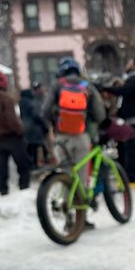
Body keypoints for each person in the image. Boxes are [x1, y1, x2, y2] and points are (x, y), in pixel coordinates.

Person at [41, 57, 107, 186]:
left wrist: (55, 118)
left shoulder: (57, 84)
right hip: (83, 136)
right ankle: (81, 204)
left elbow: (45, 110)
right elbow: (100, 114)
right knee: (82, 173)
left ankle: (65, 202)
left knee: (66, 173)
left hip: (62, 137)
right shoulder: (86, 85)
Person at [101, 58, 135, 185]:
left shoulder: (134, 79)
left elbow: (123, 91)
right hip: (134, 120)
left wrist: (105, 88)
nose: (127, 64)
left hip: (133, 121)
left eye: (129, 62)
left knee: (132, 150)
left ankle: (131, 178)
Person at [19, 83, 51, 169]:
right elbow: (37, 115)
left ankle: (31, 164)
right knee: (37, 146)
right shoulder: (31, 103)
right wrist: (44, 125)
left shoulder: (22, 103)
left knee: (31, 147)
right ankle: (35, 165)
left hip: (26, 127)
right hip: (35, 128)